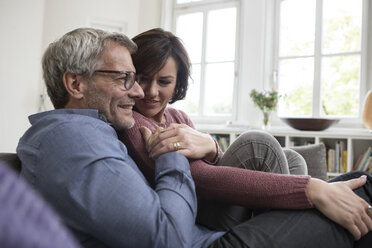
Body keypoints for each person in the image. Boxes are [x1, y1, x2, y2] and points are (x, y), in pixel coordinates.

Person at [16, 27, 372, 248]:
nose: (139, 90)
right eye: (125, 78)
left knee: (354, 194)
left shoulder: (90, 131)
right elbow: (167, 237)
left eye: (156, 81)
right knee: (361, 191)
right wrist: (172, 149)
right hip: (209, 240)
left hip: (206, 233)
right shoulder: (73, 140)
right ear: (75, 83)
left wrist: (208, 146)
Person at [117, 28, 312, 230]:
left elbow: (216, 165)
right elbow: (199, 177)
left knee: (293, 158)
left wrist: (211, 148)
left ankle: (286, 229)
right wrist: (307, 189)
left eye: (164, 81)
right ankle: (290, 233)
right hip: (196, 212)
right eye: (142, 78)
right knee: (258, 145)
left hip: (213, 197)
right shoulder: (133, 122)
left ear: (177, 84)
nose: (151, 91)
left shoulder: (179, 117)